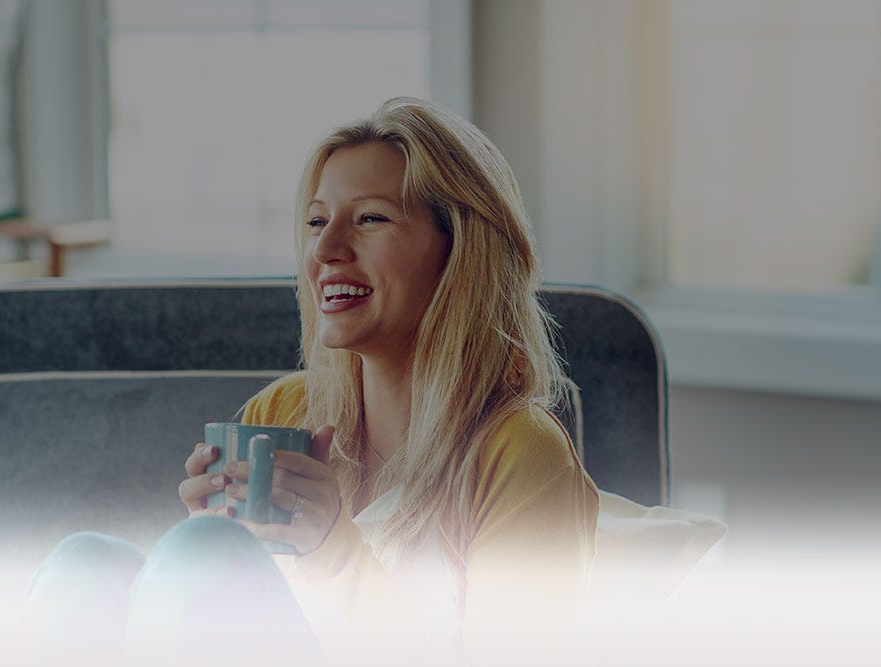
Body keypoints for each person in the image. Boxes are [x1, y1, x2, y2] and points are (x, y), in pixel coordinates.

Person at [176, 97, 599, 663]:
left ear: (461, 251)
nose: (325, 251)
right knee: (93, 560)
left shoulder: (523, 455)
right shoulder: (281, 413)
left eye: (370, 218)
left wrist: (332, 551)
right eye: (317, 222)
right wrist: (210, 553)